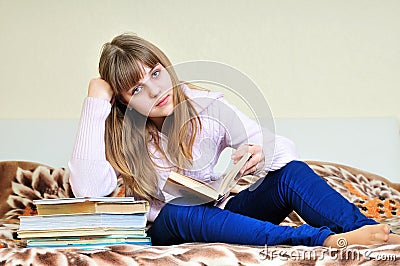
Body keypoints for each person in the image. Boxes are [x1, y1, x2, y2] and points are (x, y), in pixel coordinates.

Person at [69, 33, 400, 247]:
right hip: (169, 227)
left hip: (221, 212)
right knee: (176, 212)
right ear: (124, 100)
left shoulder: (207, 107)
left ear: (167, 68)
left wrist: (257, 153)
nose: (155, 90)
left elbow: (282, 149)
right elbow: (87, 191)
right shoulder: (117, 133)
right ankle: (321, 241)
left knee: (291, 174)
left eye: (156, 73)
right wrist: (95, 101)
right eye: (136, 88)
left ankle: (373, 234)